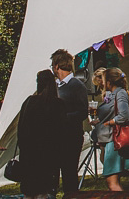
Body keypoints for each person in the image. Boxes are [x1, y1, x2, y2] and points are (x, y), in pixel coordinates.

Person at [18, 69, 64, 199]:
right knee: (43, 192)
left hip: (29, 154)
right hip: (47, 156)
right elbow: (60, 132)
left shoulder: (29, 102)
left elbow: (21, 129)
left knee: (29, 192)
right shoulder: (57, 104)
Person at [93, 68, 129, 191]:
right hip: (111, 140)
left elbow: (124, 115)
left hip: (115, 140)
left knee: (112, 183)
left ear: (109, 82)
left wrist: (109, 122)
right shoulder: (113, 94)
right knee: (114, 181)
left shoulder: (120, 93)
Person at [52, 48, 88, 195]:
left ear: (56, 66)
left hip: (71, 136)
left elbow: (83, 112)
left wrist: (64, 117)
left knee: (69, 172)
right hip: (55, 136)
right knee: (52, 171)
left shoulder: (76, 85)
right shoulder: (54, 86)